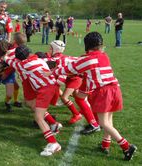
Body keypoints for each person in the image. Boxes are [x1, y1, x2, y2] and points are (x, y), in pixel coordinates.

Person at [55, 31, 137, 160]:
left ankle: (127, 147)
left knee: (104, 123)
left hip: (104, 92)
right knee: (108, 121)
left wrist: (52, 71)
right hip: (115, 89)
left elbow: (69, 69)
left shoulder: (88, 59)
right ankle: (105, 145)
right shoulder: (104, 55)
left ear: (87, 45)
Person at [4, 45, 62, 156]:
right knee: (33, 106)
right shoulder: (38, 59)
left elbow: (10, 62)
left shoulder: (23, 64)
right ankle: (54, 125)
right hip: (51, 86)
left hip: (45, 89)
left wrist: (4, 56)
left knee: (38, 117)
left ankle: (53, 143)